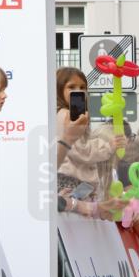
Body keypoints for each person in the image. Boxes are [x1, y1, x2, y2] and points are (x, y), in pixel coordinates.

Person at [56, 68, 125, 197]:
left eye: (82, 87)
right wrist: (109, 146)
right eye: (71, 87)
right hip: (71, 182)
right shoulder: (66, 115)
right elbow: (80, 150)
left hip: (73, 181)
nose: (78, 91)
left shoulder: (64, 114)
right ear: (59, 89)